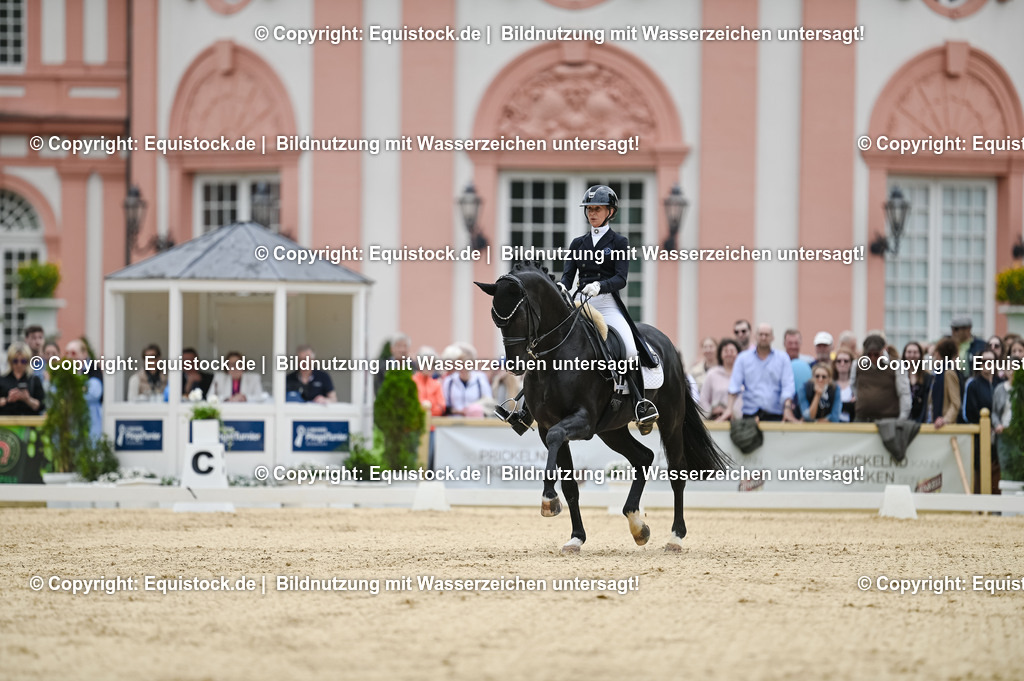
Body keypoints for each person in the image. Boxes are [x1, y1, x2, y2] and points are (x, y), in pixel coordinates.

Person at [558, 185, 659, 430]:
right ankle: (525, 406)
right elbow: (568, 277)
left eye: (597, 209)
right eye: (589, 209)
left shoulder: (619, 242)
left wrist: (600, 286)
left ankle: (639, 403)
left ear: (610, 212)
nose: (592, 213)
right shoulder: (578, 243)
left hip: (607, 305)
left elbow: (621, 278)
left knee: (630, 349)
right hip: (581, 304)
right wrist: (561, 287)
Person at [720, 323, 797, 422]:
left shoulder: (783, 358)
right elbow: (734, 385)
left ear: (773, 338)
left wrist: (787, 409)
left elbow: (788, 386)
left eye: (766, 335)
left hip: (776, 415)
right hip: (749, 415)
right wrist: (729, 409)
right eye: (761, 334)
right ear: (755, 336)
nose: (763, 337)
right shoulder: (742, 358)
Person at [962, 349, 999, 493]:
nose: (987, 364)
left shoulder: (1000, 383)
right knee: (979, 472)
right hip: (980, 437)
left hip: (999, 436)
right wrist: (985, 427)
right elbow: (968, 412)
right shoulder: (973, 384)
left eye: (991, 361)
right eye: (983, 361)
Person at [853, 334, 910, 422]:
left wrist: (903, 417)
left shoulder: (897, 365)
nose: (873, 358)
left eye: (876, 354)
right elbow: (853, 386)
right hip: (862, 417)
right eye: (869, 354)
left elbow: (904, 392)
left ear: (884, 350)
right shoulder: (857, 364)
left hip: (888, 418)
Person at [64, 339, 102, 442]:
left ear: (84, 354)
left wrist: (74, 390)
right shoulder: (65, 371)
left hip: (91, 423)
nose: (69, 357)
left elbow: (94, 393)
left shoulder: (93, 369)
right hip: (71, 425)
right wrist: (81, 389)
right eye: (67, 353)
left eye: (73, 353)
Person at [441, 344, 492, 416]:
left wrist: (473, 409)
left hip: (475, 420)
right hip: (454, 419)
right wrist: (458, 411)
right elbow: (445, 404)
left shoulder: (480, 379)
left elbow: (488, 400)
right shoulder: (449, 381)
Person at [0, 342, 45, 415]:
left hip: (29, 420)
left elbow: (41, 406)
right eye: (15, 361)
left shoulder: (34, 380)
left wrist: (27, 399)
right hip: (6, 420)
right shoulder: (2, 379)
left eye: (23, 361)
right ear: (10, 361)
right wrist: (8, 399)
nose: (19, 364)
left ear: (27, 361)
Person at [701, 338, 741, 420]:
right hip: (716, 421)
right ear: (720, 354)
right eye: (726, 351)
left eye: (732, 351)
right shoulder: (712, 374)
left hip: (739, 422)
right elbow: (703, 399)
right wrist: (711, 411)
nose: (729, 354)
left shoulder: (743, 375)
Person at [930, 336, 963, 429]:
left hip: (944, 425)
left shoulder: (948, 373)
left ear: (938, 354)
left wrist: (945, 420)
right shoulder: (938, 372)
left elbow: (955, 403)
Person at [902, 341, 933, 422]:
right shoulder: (899, 375)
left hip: (921, 419)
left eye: (915, 352)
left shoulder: (927, 376)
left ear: (920, 355)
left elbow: (926, 401)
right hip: (902, 419)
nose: (912, 355)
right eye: (909, 352)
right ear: (904, 354)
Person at [833, 349, 856, 422]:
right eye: (839, 361)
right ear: (835, 364)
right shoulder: (830, 385)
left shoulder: (857, 385)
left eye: (846, 361)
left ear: (851, 363)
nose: (842, 364)